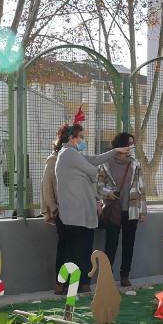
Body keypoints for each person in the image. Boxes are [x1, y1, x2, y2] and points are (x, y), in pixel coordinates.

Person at [53, 122, 117, 294]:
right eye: (80, 137)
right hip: (76, 215)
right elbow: (93, 169)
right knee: (77, 253)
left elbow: (94, 160)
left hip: (79, 214)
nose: (82, 140)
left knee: (77, 252)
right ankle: (74, 286)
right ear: (72, 139)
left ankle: (76, 285)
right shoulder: (69, 154)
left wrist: (115, 151)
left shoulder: (72, 153)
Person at [96, 133, 146, 287]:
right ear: (120, 145)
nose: (132, 146)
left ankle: (125, 275)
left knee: (128, 244)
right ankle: (106, 276)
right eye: (129, 143)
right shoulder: (105, 163)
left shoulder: (135, 164)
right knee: (111, 244)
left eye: (133, 143)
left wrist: (143, 211)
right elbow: (97, 185)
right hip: (113, 210)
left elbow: (141, 188)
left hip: (131, 211)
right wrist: (107, 193)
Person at [42, 134, 68, 293]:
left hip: (75, 211)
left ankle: (75, 283)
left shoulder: (75, 159)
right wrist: (54, 208)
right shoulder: (53, 160)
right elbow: (47, 186)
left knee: (74, 249)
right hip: (61, 212)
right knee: (64, 248)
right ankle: (60, 283)